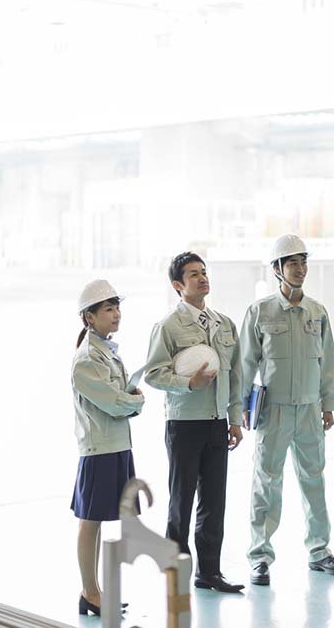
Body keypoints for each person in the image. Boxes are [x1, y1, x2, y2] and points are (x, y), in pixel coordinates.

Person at [240, 234, 334, 586]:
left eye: (303, 262)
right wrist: (240, 408)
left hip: (309, 412)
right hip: (273, 411)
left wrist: (328, 404)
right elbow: (245, 364)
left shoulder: (317, 313)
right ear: (277, 269)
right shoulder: (260, 312)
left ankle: (320, 551)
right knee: (266, 484)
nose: (300, 269)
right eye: (292, 263)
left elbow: (328, 362)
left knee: (313, 480)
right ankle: (259, 556)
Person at [145, 252, 245, 593]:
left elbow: (235, 378)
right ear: (178, 285)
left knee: (214, 501)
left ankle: (209, 572)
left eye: (204, 272)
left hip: (217, 423)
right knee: (181, 501)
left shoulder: (225, 324)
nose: (202, 278)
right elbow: (154, 374)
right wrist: (188, 383)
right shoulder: (168, 327)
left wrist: (234, 420)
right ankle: (176, 574)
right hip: (184, 424)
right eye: (193, 274)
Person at [70, 279, 145, 616]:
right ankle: (90, 591)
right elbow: (115, 402)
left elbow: (120, 397)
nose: (116, 315)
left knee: (97, 521)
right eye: (109, 309)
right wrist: (136, 401)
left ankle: (95, 591)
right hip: (99, 449)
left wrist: (130, 398)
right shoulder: (87, 359)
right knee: (90, 522)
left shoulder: (105, 350)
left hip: (113, 445)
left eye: (117, 308)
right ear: (89, 317)